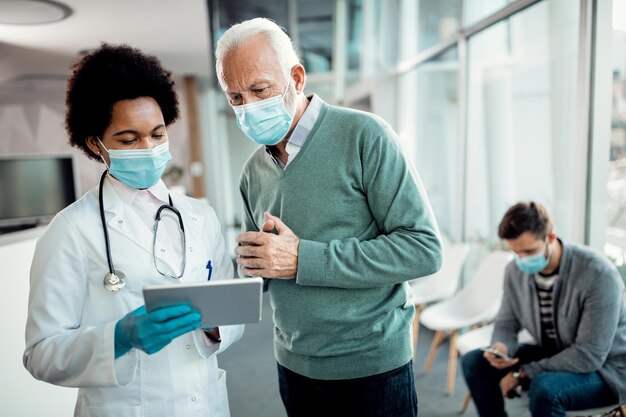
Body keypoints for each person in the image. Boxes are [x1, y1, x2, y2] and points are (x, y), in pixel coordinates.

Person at [215, 17, 442, 417]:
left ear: (297, 78)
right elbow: (270, 271)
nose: (248, 107)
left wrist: (304, 259)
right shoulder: (253, 170)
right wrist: (251, 269)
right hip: (294, 365)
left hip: (373, 367)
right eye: (235, 97)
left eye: (259, 90)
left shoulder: (365, 136)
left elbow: (423, 250)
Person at [23, 43, 243, 417]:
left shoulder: (200, 217)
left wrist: (215, 326)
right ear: (95, 143)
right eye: (129, 139)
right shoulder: (71, 231)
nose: (149, 148)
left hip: (204, 402)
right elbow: (40, 354)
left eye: (158, 135)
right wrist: (118, 338)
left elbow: (230, 311)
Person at [461, 201, 626, 417]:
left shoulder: (598, 274)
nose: (522, 259)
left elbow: (589, 355)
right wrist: (501, 347)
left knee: (544, 389)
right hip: (555, 350)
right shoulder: (515, 270)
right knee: (474, 362)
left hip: (606, 369)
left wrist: (523, 374)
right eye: (515, 252)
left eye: (529, 251)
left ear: (550, 237)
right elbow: (507, 322)